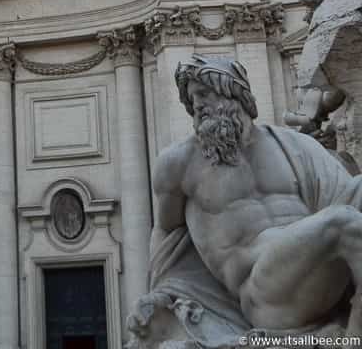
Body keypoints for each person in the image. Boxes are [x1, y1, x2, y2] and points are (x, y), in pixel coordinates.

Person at [128, 54, 362, 344]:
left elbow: (343, 192)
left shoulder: (291, 145)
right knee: (342, 223)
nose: (197, 105)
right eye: (191, 99)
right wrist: (157, 293)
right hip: (264, 296)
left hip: (314, 272)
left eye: (204, 93)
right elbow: (166, 232)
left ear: (233, 92)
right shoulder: (179, 162)